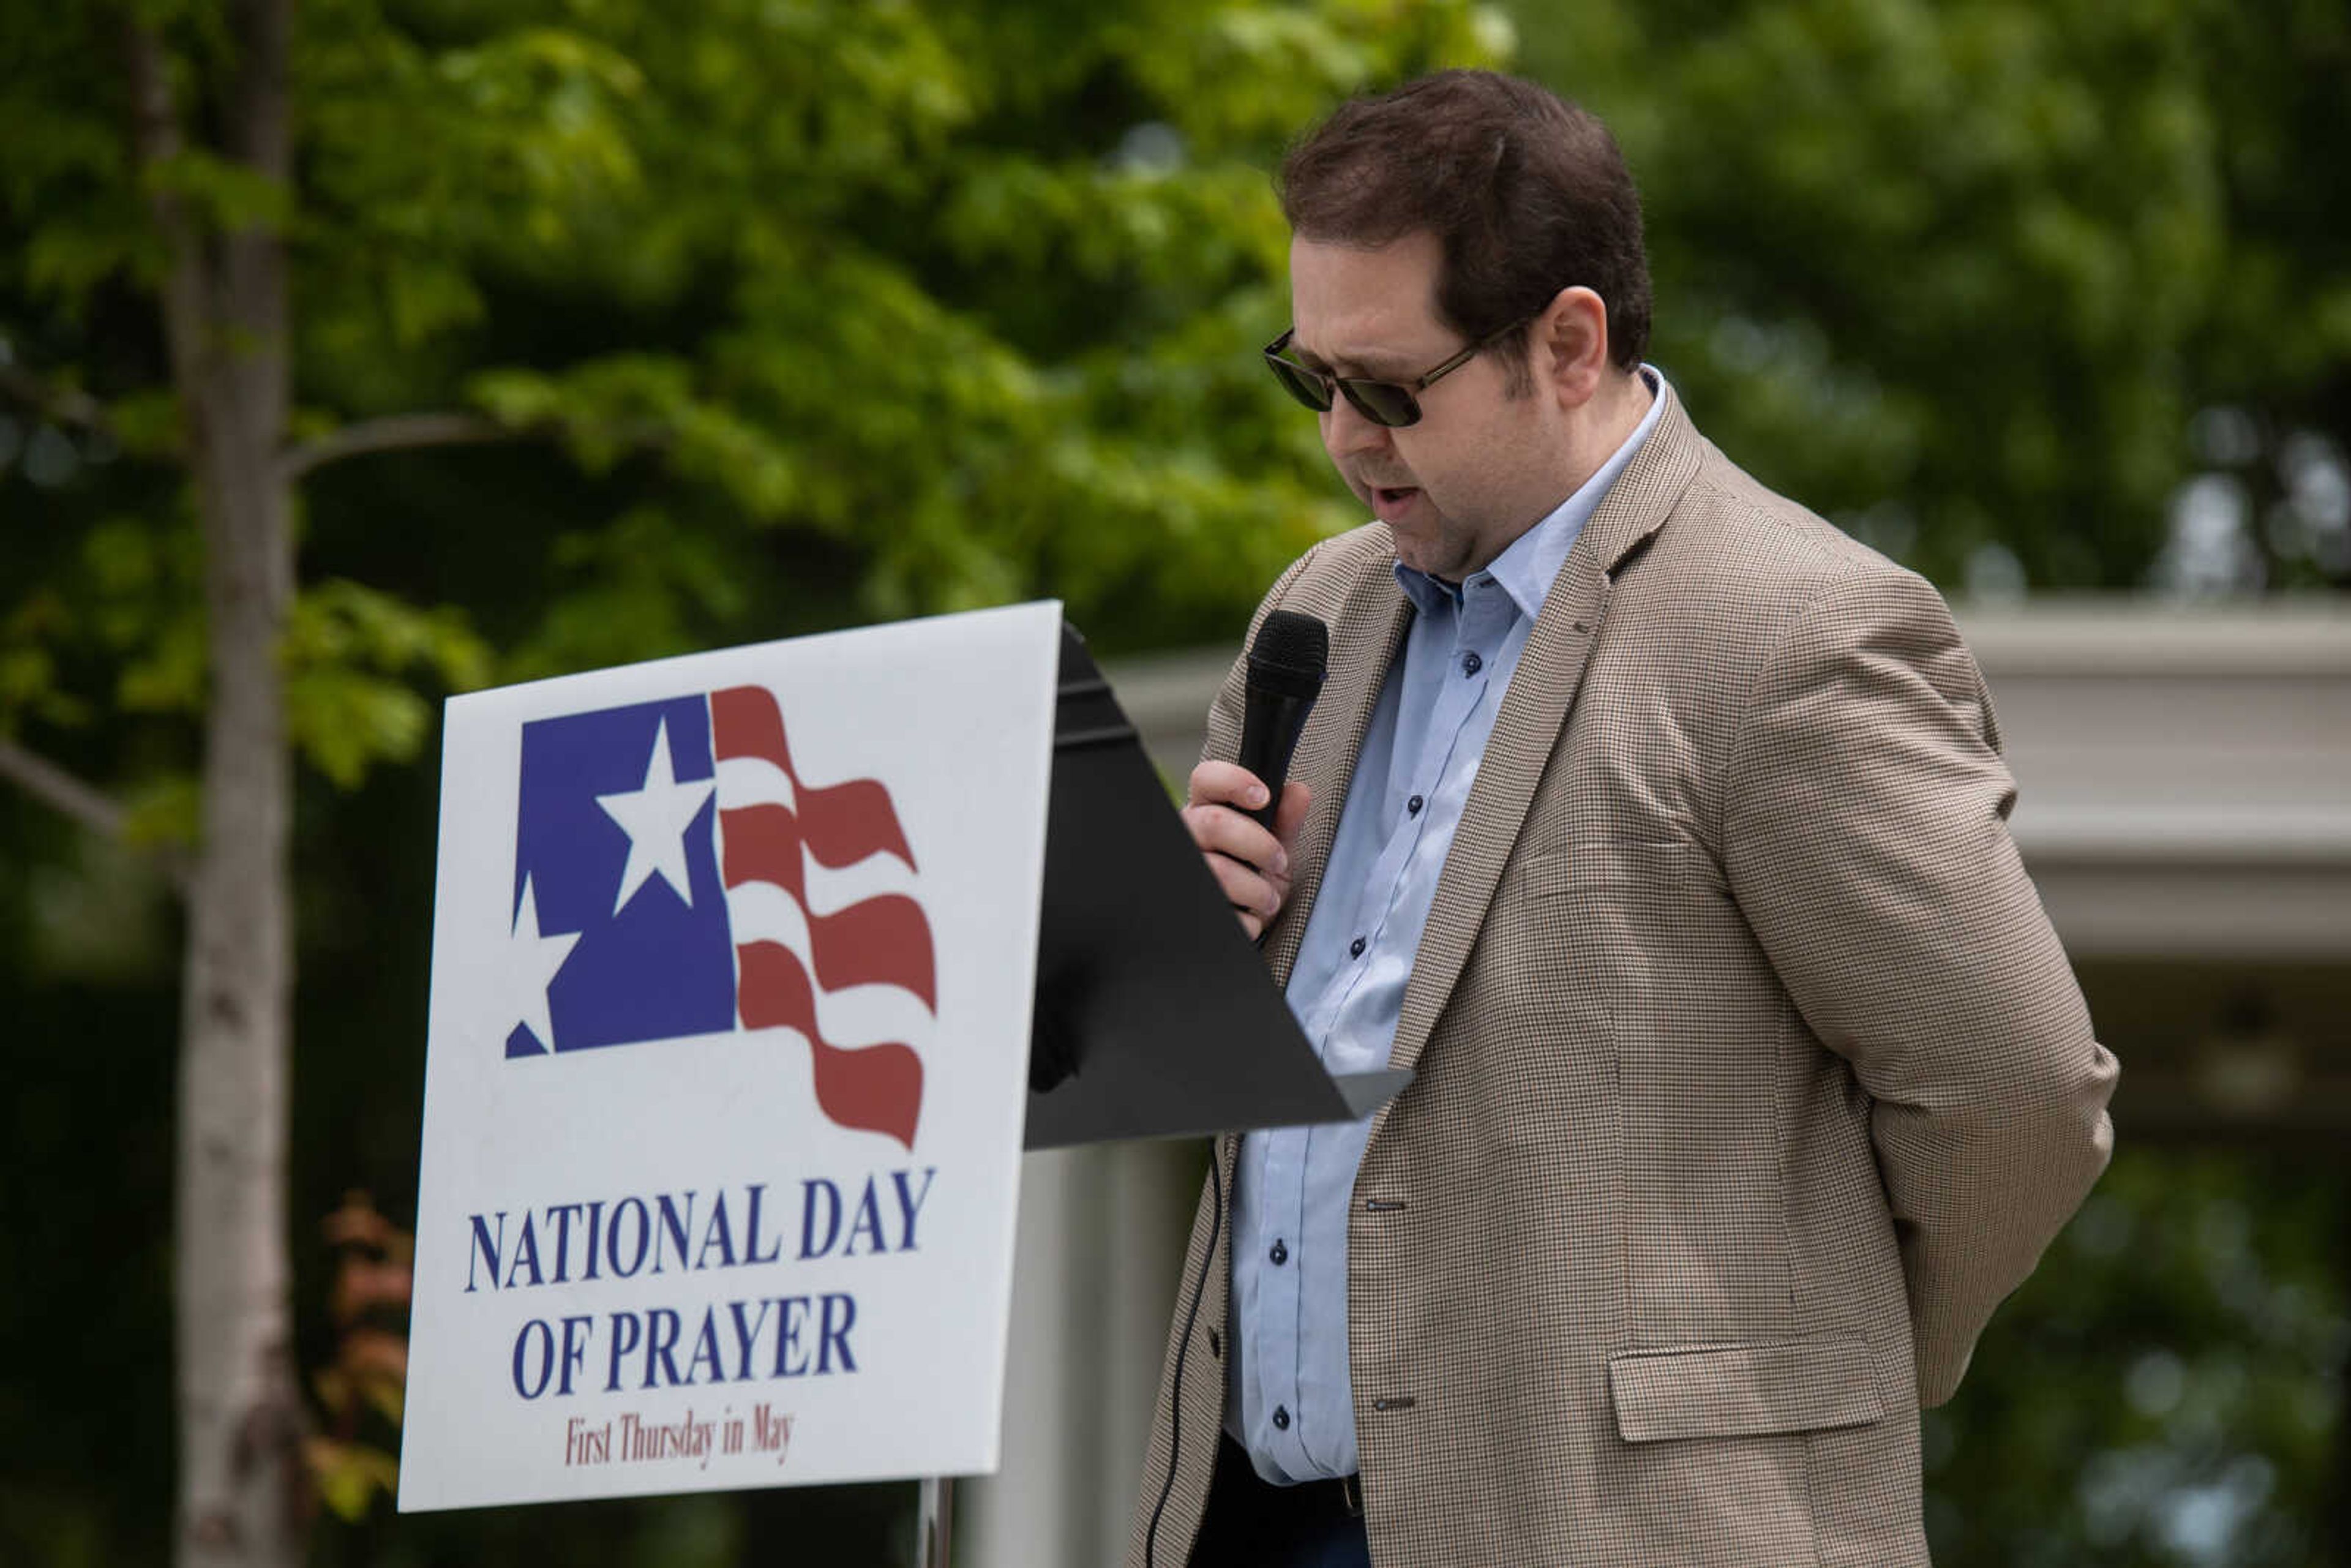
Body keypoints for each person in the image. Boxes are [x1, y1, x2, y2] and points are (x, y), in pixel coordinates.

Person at [1123, 70, 2119, 1568]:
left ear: (1569, 344)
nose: (1342, 438)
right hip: (1249, 1520)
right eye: (1310, 377)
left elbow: (2022, 1093)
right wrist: (1197, 945)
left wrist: (1806, 1376)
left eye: (1391, 389)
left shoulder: (1792, 630)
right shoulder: (1315, 610)